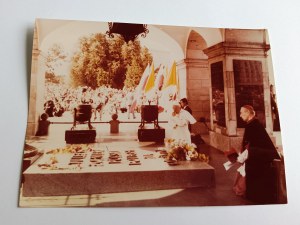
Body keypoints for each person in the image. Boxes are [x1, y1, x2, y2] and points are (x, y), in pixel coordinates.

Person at [237, 104, 280, 204]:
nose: (240, 115)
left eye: (241, 112)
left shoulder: (253, 125)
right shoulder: (253, 124)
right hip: (256, 156)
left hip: (258, 159)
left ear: (248, 112)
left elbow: (252, 145)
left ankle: (256, 196)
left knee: (257, 182)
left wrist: (243, 155)